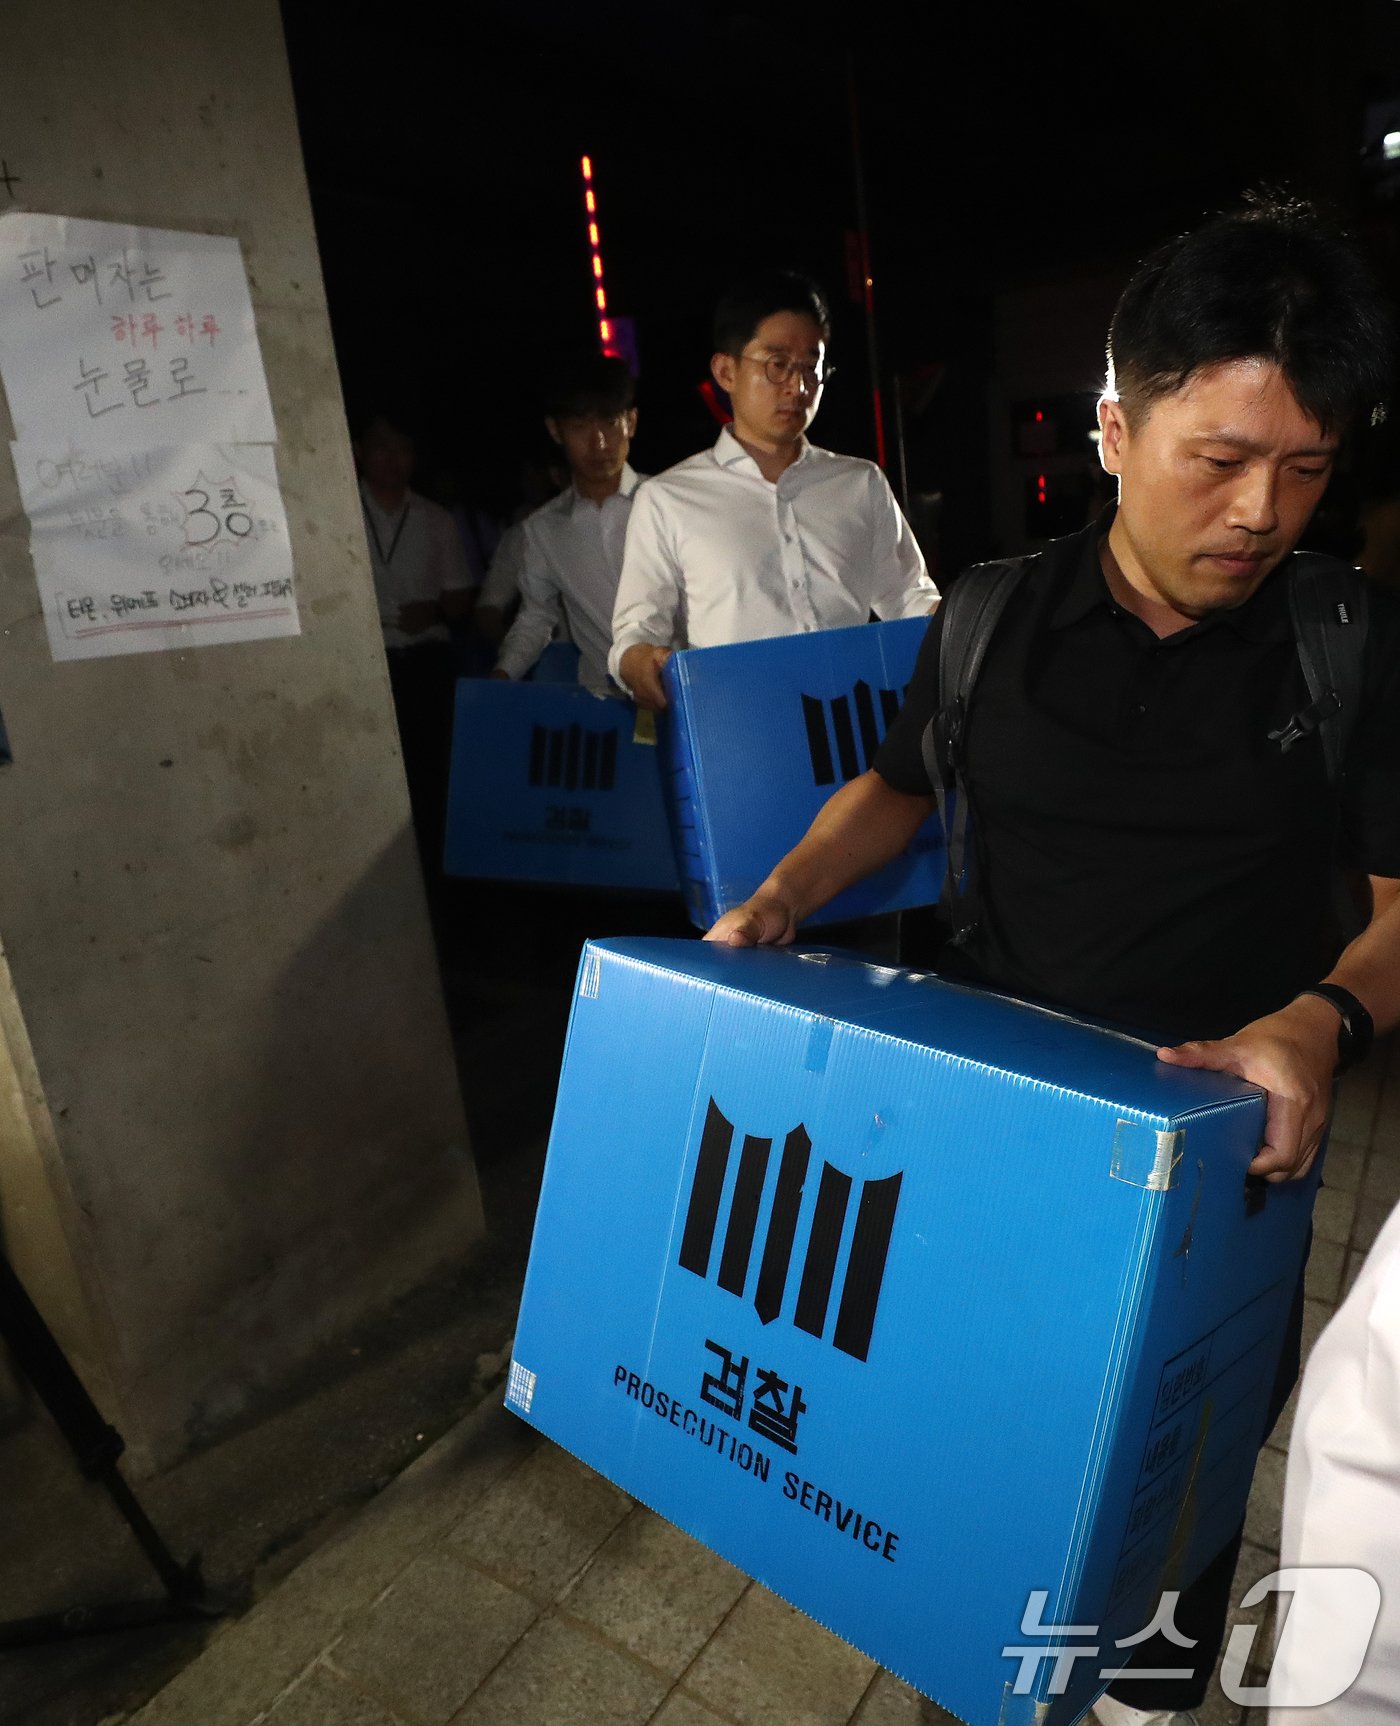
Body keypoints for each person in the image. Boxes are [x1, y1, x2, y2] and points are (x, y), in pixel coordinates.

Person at [707, 198, 1400, 1726]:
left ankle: (1145, 1697)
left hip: (1226, 1166)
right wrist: (783, 894)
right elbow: (892, 785)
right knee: (982, 1442)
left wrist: (1324, 1012)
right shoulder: (993, 615)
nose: (1260, 511)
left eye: (1306, 468)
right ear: (1112, 426)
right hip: (993, 1141)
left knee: (1179, 1490)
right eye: (1217, 459)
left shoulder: (1345, 638)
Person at [608, 269, 937, 710]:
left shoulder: (859, 483)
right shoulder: (669, 499)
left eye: (811, 368)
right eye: (778, 364)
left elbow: (908, 598)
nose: (798, 388)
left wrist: (963, 627)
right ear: (726, 371)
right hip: (741, 724)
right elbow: (636, 630)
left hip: (857, 722)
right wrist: (638, 661)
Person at [355, 413, 474, 878]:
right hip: (366, 661)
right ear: (360, 452)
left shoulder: (435, 517)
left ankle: (430, 875)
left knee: (429, 780)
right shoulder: (338, 509)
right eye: (381, 447)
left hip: (425, 661)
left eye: (402, 449)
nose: (392, 460)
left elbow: (461, 597)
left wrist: (437, 611)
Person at [492, 354, 641, 698]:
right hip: (603, 697)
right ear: (555, 430)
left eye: (609, 423)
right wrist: (502, 676)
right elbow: (536, 617)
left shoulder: (666, 503)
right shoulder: (544, 529)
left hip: (681, 688)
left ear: (630, 422)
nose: (599, 443)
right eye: (579, 427)